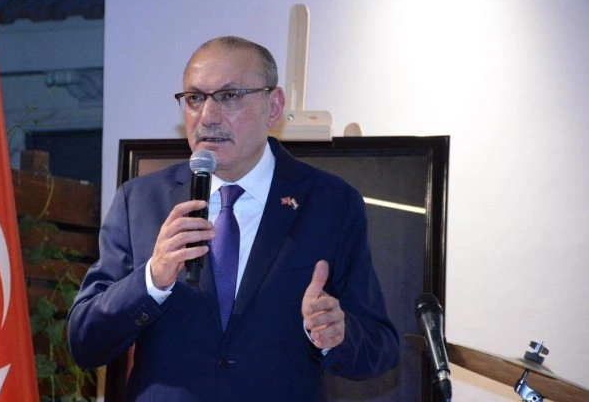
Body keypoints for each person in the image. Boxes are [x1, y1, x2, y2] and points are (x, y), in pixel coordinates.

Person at [67, 35, 399, 401]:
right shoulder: (141, 201)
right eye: (195, 98)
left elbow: (380, 347)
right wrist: (151, 280)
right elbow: (85, 341)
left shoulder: (331, 203)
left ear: (273, 106)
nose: (207, 116)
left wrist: (337, 333)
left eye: (229, 96)